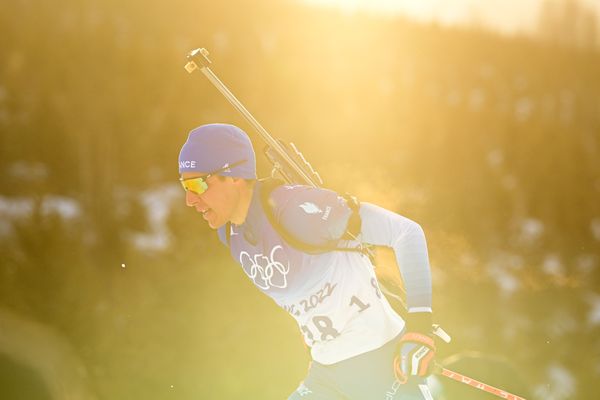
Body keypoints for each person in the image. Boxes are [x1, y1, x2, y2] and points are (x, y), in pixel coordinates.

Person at [178, 123, 436, 399]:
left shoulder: (295, 210)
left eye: (198, 184)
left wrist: (420, 329)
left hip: (382, 367)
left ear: (235, 176)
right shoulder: (230, 234)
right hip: (326, 374)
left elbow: (407, 232)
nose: (189, 200)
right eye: (185, 185)